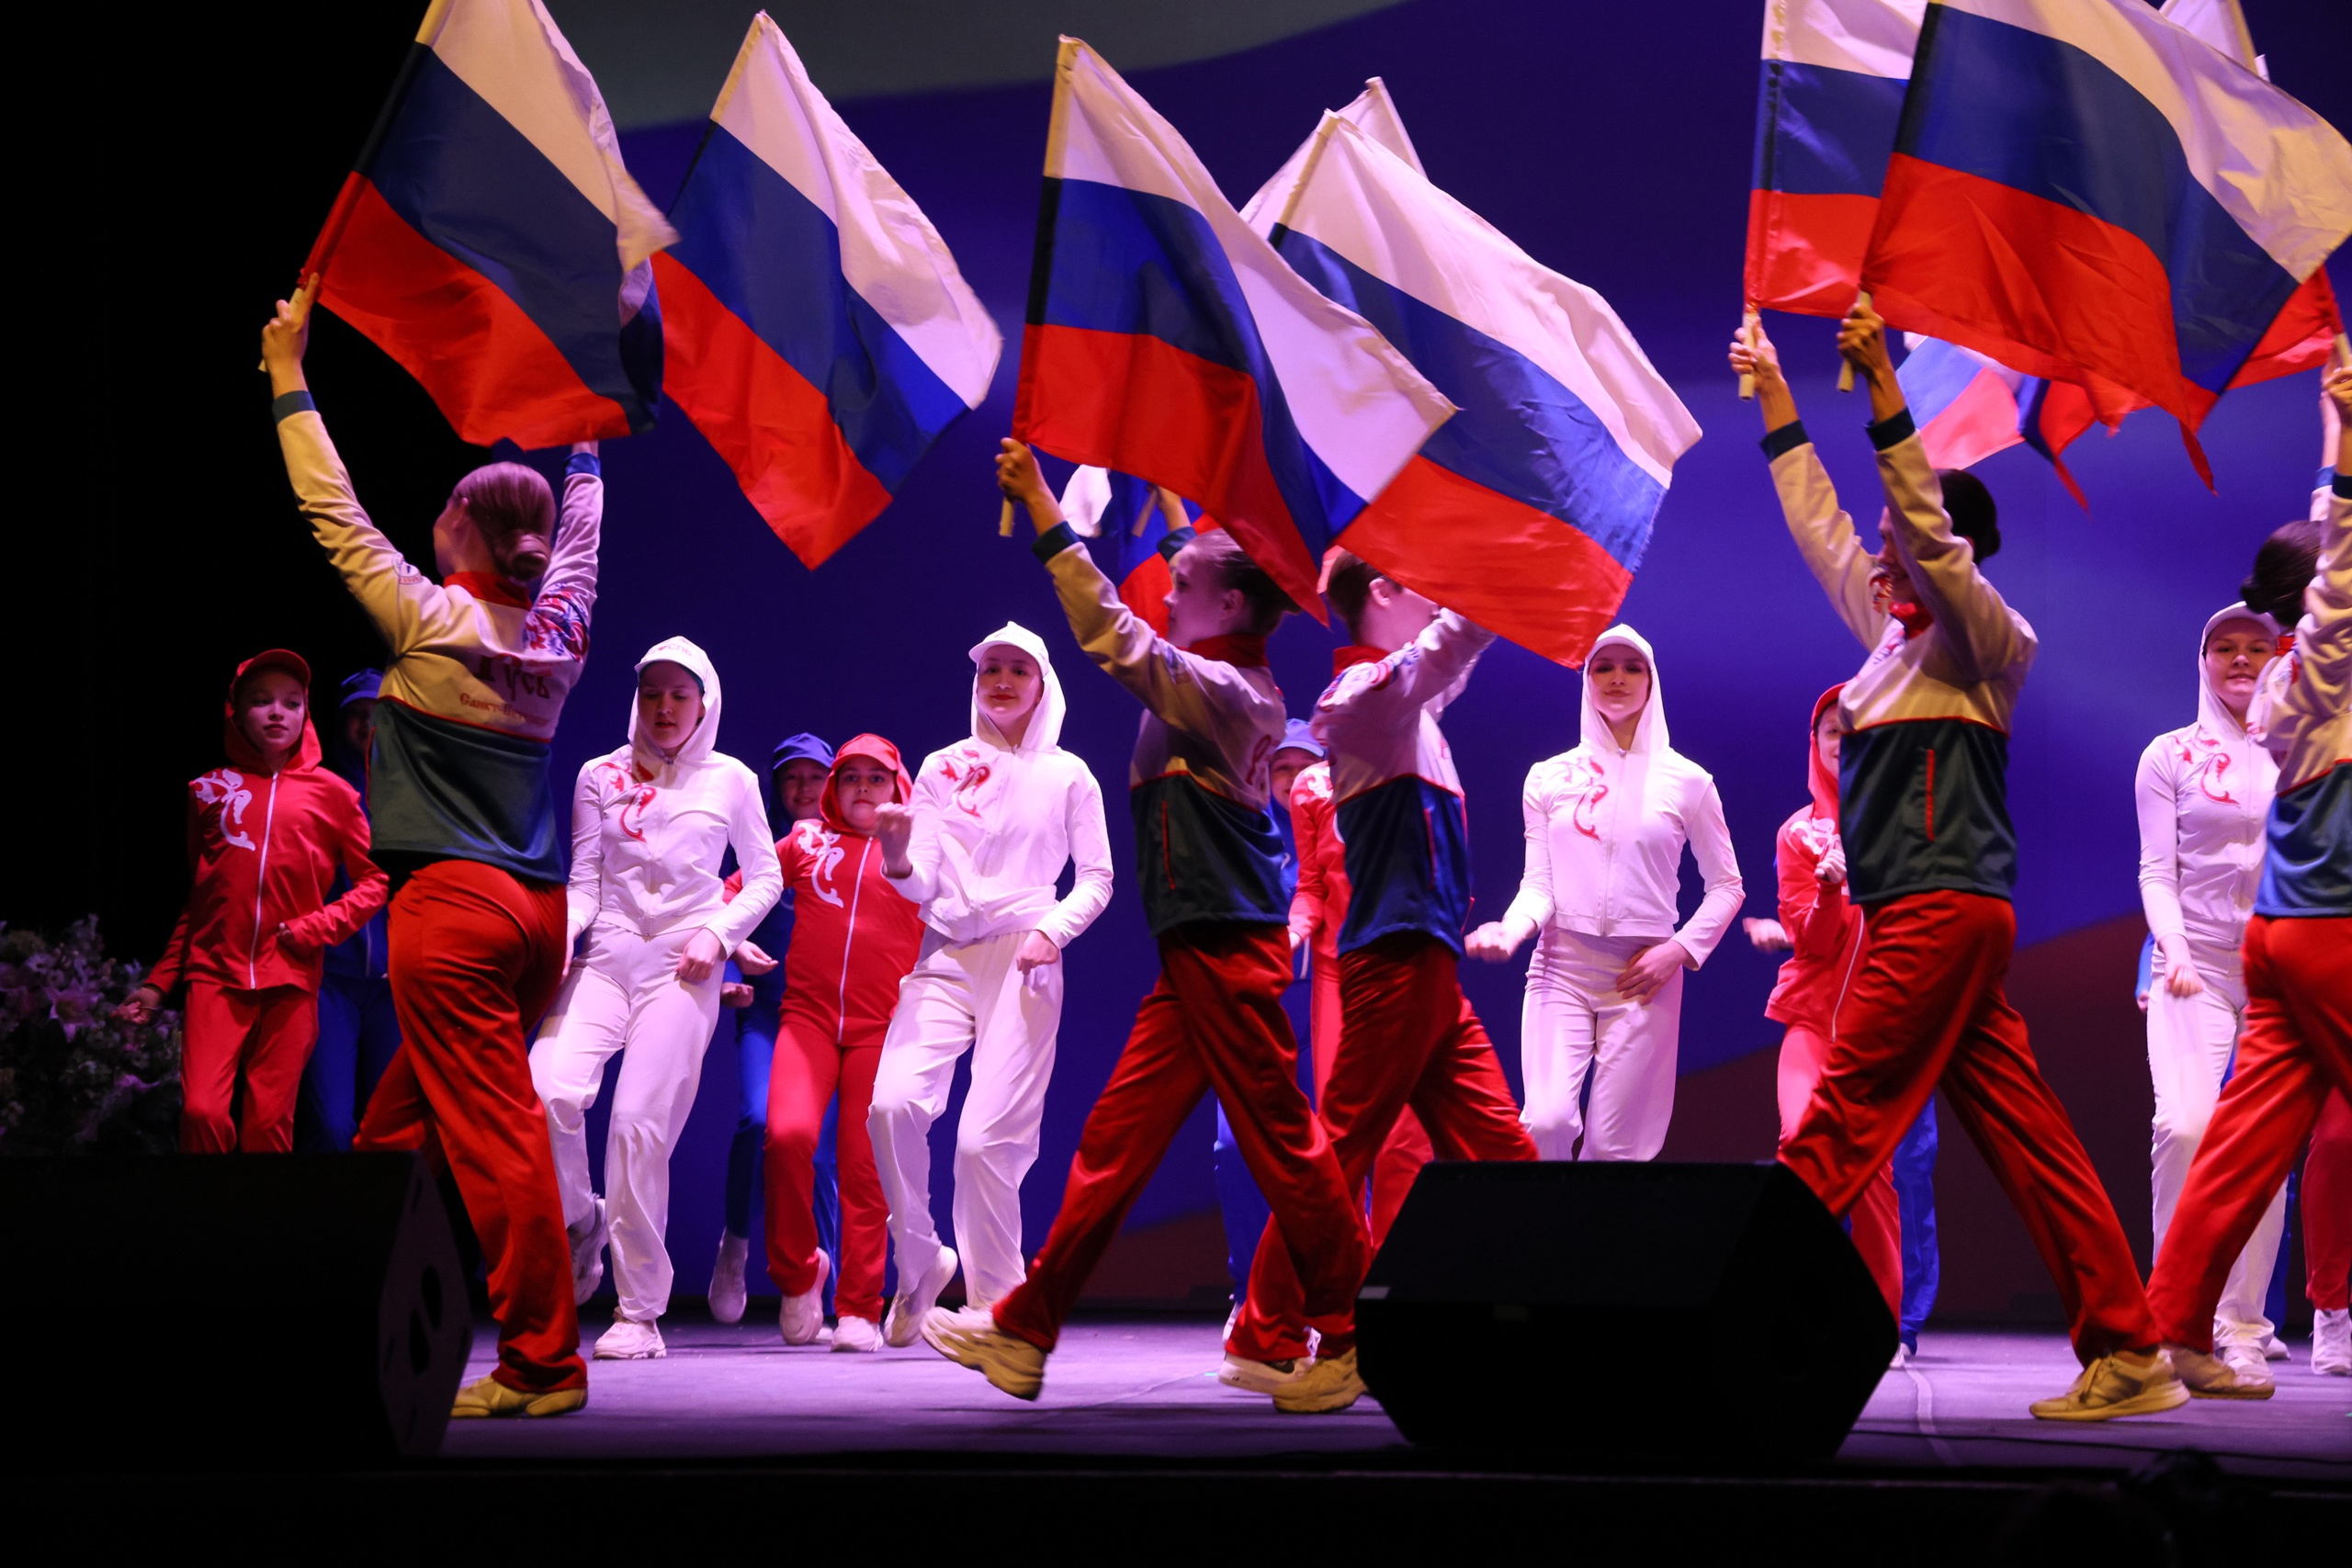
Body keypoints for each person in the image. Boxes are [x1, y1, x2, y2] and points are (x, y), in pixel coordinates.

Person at [1730, 305, 2183, 1420]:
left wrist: (1888, 395)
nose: (1881, 555)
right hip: (1930, 917)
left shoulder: (1986, 640)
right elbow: (1822, 530)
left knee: (1838, 1122)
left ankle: (1721, 1323)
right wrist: (1778, 400)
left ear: (1951, 553)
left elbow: (1921, 536)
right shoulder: (1893, 650)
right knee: (2029, 1135)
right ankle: (2129, 1348)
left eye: (1901, 542)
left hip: (1938, 908)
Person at [924, 442, 1366, 1404]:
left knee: (1284, 1144)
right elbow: (1178, 575)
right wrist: (1174, 497)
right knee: (1115, 1142)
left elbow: (1113, 636)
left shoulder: (1226, 692)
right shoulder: (1212, 666)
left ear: (1232, 606)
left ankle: (1348, 1331)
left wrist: (1046, 512)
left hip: (1229, 946)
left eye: (1186, 583)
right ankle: (1027, 1328)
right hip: (1193, 948)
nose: (1167, 589)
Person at [261, 276, 604, 1417]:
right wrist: (589, 435)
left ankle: (543, 1362)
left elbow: (332, 508)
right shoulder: (561, 629)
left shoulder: (426, 617)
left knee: (500, 1138)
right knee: (392, 1132)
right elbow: (582, 536)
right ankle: (360, 1318)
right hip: (535, 922)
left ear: (461, 526)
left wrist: (287, 375)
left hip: (452, 915)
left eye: (447, 511)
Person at [1225, 550, 1542, 1414]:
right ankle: (1272, 1331)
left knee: (1504, 1154)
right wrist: (1495, 559)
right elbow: (1447, 645)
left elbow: (1451, 660)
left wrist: (1488, 582)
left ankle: (1559, 1308)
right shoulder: (1359, 698)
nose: (1434, 600)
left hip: (1427, 962)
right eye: (1421, 585)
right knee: (1339, 1150)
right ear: (1384, 594)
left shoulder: (1404, 709)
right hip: (1394, 958)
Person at [2148, 363, 2352, 1390]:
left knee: (2235, 1147)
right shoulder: (2324, 660)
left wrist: (2333, 432)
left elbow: (2326, 551)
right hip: (2331, 927)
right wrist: (2344, 440)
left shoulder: (2291, 674)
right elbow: (2338, 559)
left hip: (2276, 938)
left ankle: (2173, 1328)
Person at [528, 639, 783, 1360]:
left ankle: (638, 1311)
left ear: (704, 702)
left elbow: (764, 876)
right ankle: (583, 1220)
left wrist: (718, 933)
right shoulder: (599, 773)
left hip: (682, 962)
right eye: (652, 693)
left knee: (638, 1122)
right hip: (607, 953)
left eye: (679, 694)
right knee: (545, 1089)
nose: (664, 707)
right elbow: (585, 879)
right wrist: (564, 935)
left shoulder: (731, 779)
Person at [867, 624, 1114, 1344]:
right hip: (945, 949)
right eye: (990, 670)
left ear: (1042, 685)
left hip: (1025, 955)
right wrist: (896, 857)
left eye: (1017, 670)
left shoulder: (1069, 774)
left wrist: (1052, 931)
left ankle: (996, 1306)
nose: (1001, 681)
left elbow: (1097, 879)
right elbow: (924, 882)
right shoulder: (941, 766)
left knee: (984, 1141)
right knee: (891, 1105)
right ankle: (920, 1259)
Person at [1465, 628, 1744, 1162]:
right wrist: (1511, 929)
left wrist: (1678, 950)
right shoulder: (1548, 777)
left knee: (1616, 1150)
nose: (1617, 678)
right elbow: (1539, 884)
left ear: (1651, 681)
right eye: (1603, 667)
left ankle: (1596, 1222)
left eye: (1632, 667)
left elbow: (1727, 885)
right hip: (1561, 966)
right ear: (1587, 679)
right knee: (1546, 1122)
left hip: (1644, 976)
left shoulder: (1689, 781)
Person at [118, 650, 388, 1154]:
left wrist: (316, 928)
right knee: (201, 1111)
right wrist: (158, 983)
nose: (277, 712)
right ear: (236, 712)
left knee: (268, 1126)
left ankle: (262, 1209)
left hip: (291, 978)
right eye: (261, 701)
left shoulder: (333, 794)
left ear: (306, 713)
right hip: (214, 976)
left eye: (291, 702)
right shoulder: (207, 791)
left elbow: (374, 883)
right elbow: (200, 900)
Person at [2134, 604, 2287, 1381]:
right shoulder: (2169, 754)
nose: (2240, 659)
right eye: (2224, 646)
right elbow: (2156, 870)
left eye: (2257, 646)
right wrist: (2174, 946)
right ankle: (2173, 1317)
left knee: (2261, 1149)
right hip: (2191, 964)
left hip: (2277, 972)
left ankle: (2242, 1326)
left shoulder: (2306, 750)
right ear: (2202, 659)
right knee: (2186, 1126)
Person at [758, 737, 925, 1352]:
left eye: (876, 777)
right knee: (786, 1138)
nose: (862, 787)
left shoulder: (922, 850)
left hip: (881, 1027)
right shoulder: (806, 841)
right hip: (808, 1019)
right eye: (849, 776)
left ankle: (858, 1304)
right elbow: (739, 890)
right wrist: (728, 941)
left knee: (862, 1164)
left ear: (898, 785)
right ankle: (800, 1274)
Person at [1761, 685, 1902, 1334]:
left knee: (1871, 1172)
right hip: (1813, 1024)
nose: (1844, 741)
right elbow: (1812, 943)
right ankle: (1784, 1307)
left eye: (1857, 728)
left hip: (1877, 1031)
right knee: (1800, 1148)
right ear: (1815, 745)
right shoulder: (1799, 834)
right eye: (1832, 732)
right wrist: (1828, 891)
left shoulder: (1907, 827)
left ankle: (1878, 1322)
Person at [1288, 731, 1433, 1254]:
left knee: (1404, 1128)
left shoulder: (1417, 778)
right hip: (1337, 971)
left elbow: (1443, 874)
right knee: (1339, 1129)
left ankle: (1398, 1266)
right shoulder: (1310, 788)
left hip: (1400, 966)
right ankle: (1347, 1272)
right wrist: (1292, 933)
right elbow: (1311, 886)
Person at [708, 734, 835, 1325]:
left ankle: (823, 1297)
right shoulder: (766, 854)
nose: (804, 788)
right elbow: (722, 908)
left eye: (816, 776)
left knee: (819, 1155)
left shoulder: (849, 852)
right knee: (759, 1121)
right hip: (766, 1014)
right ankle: (735, 1245)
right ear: (776, 788)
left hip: (829, 1021)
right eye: (792, 777)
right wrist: (730, 971)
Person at [296, 670, 404, 1153]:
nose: (366, 725)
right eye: (356, 715)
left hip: (393, 985)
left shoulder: (411, 795)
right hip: (330, 980)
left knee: (390, 1132)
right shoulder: (313, 791)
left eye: (376, 715)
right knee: (332, 1126)